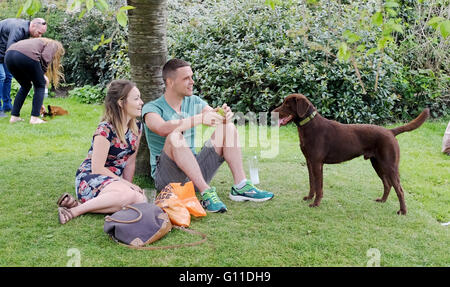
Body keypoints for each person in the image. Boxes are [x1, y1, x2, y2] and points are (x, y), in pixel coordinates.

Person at [142, 58, 274, 213]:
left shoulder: (193, 101)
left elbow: (213, 116)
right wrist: (199, 118)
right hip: (168, 178)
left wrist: (224, 115)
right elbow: (163, 128)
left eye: (192, 77)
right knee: (174, 136)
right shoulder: (152, 108)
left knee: (228, 128)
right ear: (170, 82)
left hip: (194, 172)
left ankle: (241, 186)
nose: (192, 81)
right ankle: (206, 193)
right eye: (186, 78)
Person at [57, 80, 147, 224]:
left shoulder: (137, 128)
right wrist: (126, 187)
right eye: (136, 99)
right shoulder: (105, 129)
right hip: (91, 178)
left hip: (113, 181)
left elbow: (130, 162)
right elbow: (97, 168)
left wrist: (128, 186)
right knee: (131, 196)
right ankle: (74, 211)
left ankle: (81, 206)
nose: (141, 102)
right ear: (121, 102)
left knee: (139, 199)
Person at [5, 37, 64, 124]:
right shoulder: (54, 44)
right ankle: (34, 119)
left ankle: (14, 117)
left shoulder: (35, 42)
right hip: (24, 56)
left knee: (25, 86)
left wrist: (39, 103)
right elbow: (45, 57)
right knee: (40, 84)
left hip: (9, 56)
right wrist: (42, 73)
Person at [0, 18, 47, 118]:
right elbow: (11, 49)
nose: (39, 36)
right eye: (39, 33)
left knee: (8, 77)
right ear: (33, 26)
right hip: (4, 52)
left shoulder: (25, 31)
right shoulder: (19, 29)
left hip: (3, 54)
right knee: (1, 76)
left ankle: (7, 106)